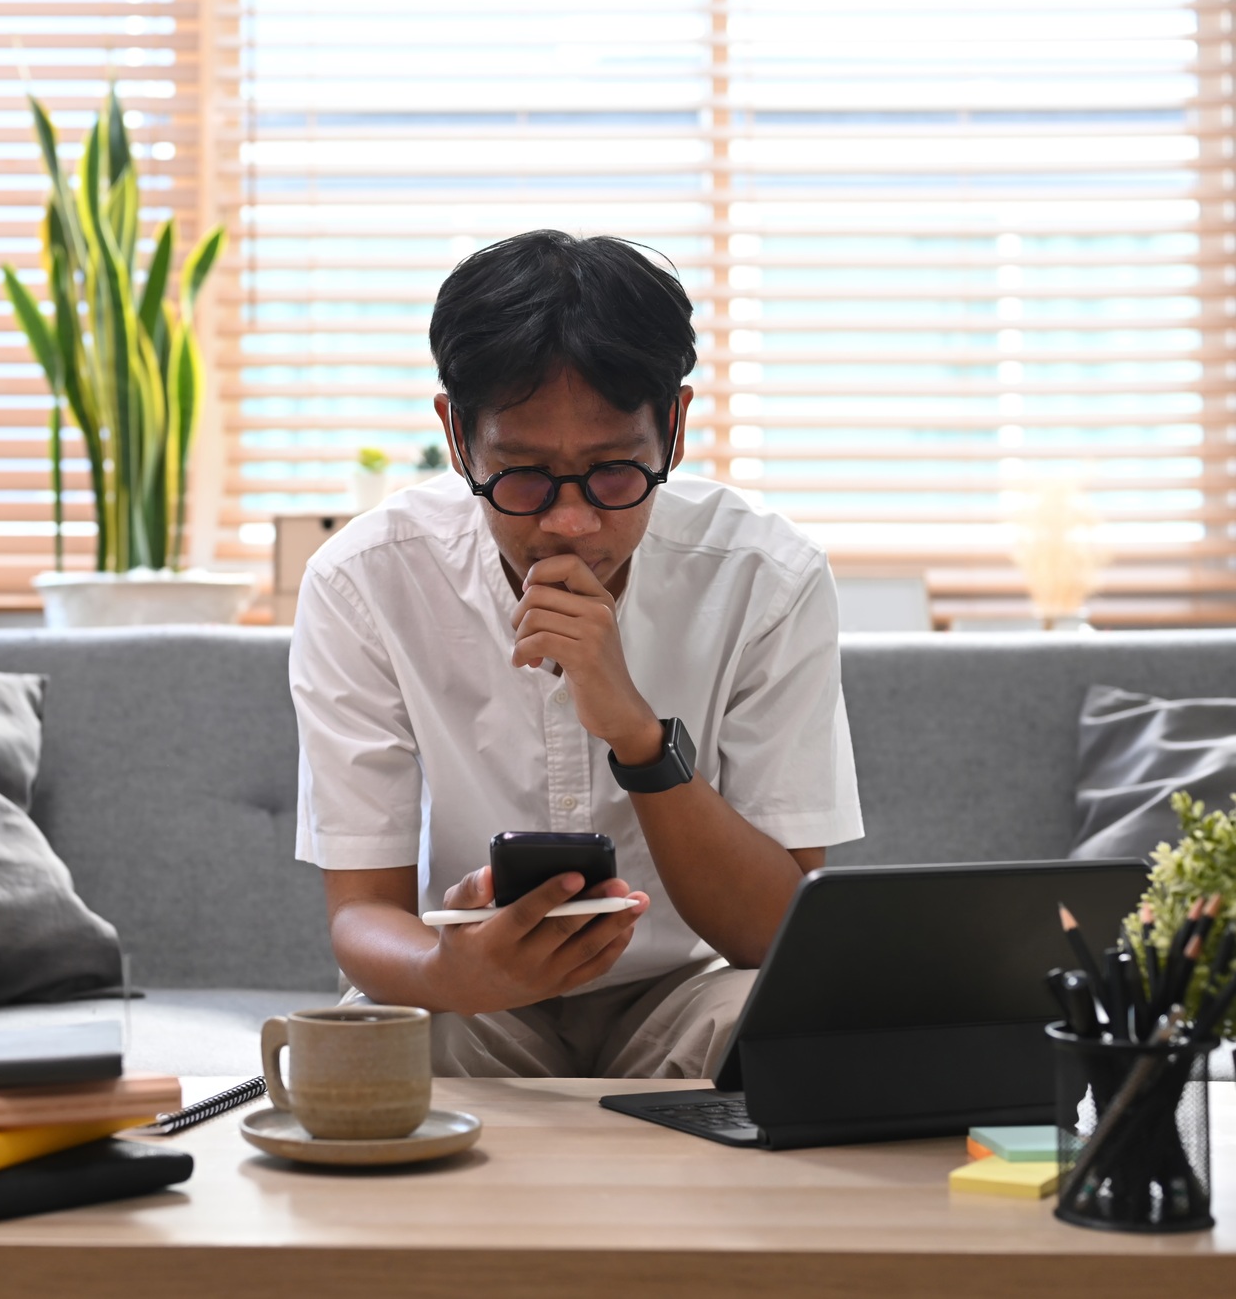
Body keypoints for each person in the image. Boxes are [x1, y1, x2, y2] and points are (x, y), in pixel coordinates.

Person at [288, 230, 864, 1079]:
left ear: (673, 425)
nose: (570, 522)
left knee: (785, 1029)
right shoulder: (363, 581)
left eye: (613, 472)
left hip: (686, 988)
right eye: (522, 475)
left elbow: (777, 932)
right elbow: (362, 915)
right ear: (456, 436)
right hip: (477, 993)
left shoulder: (767, 578)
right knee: (399, 1039)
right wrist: (451, 970)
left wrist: (635, 731)